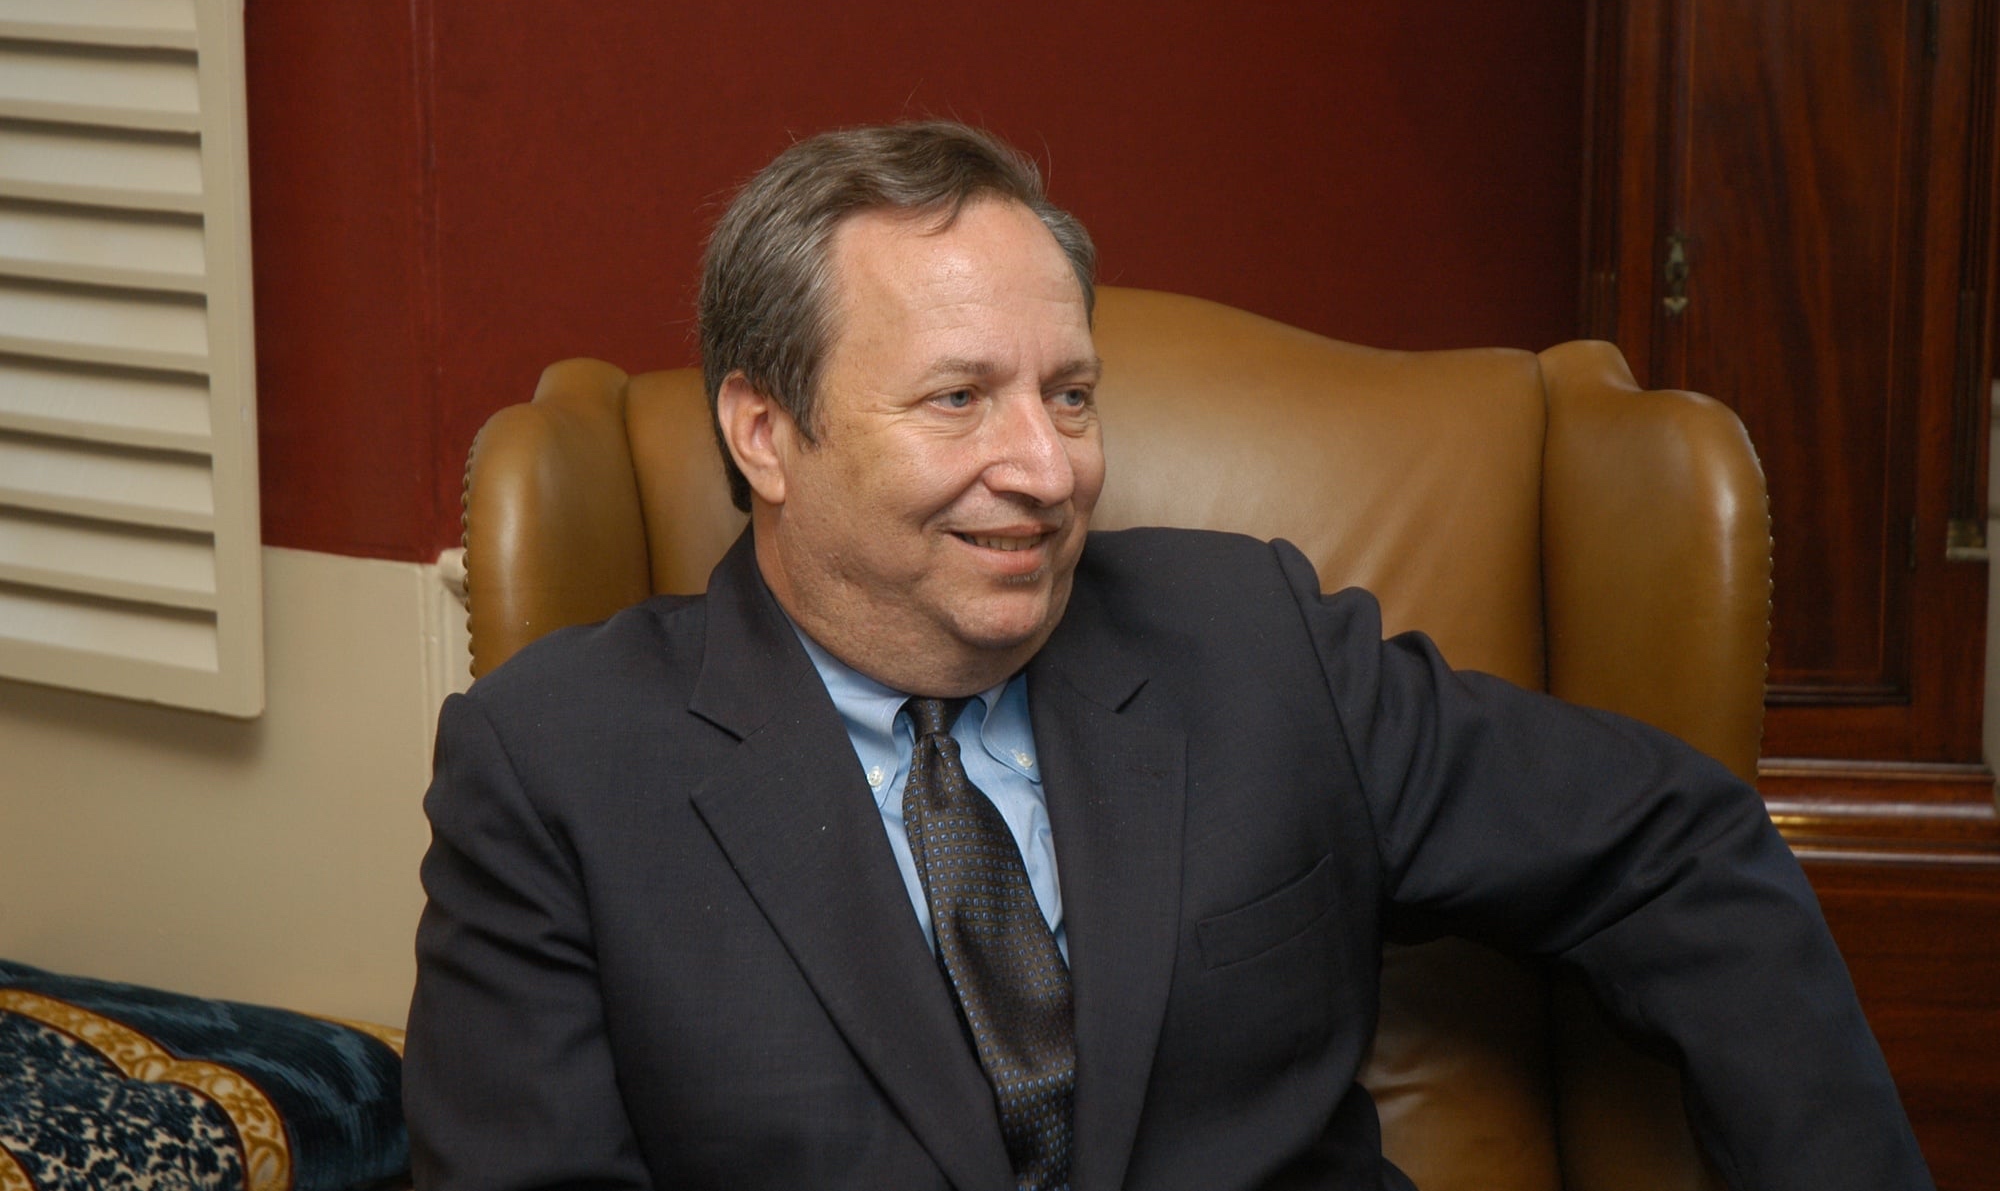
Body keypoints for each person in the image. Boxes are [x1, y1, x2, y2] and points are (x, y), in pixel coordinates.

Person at [404, 121, 1931, 1190]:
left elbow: (1677, 843)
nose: (1046, 467)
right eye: (958, 398)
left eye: (1069, 395)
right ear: (763, 430)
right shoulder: (558, 769)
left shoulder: (1255, 643)